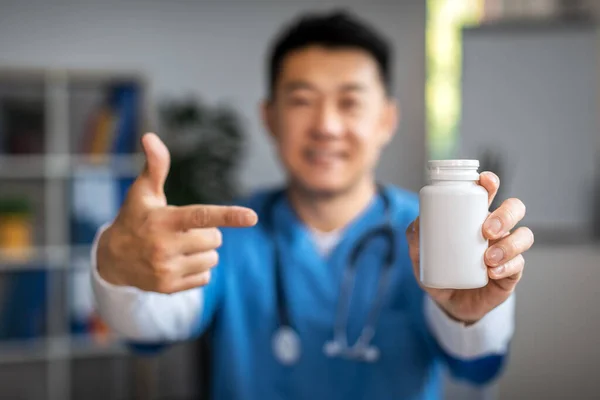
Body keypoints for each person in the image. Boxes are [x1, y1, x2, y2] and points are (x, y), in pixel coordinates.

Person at [91, 10, 534, 400]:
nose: (326, 126)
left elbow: (477, 368)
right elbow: (147, 331)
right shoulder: (230, 232)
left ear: (386, 119)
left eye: (350, 102)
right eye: (302, 101)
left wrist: (470, 319)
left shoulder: (435, 232)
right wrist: (115, 266)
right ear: (270, 118)